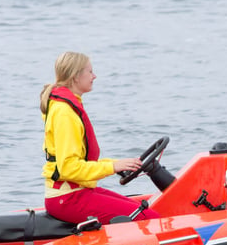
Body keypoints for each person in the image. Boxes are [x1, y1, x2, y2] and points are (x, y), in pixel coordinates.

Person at [39, 52, 160, 224]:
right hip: (67, 198)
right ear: (75, 77)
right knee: (149, 219)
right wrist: (111, 167)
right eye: (90, 72)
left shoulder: (67, 105)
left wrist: (117, 164)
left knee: (144, 209)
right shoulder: (64, 113)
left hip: (77, 191)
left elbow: (78, 162)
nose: (94, 76)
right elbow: (68, 168)